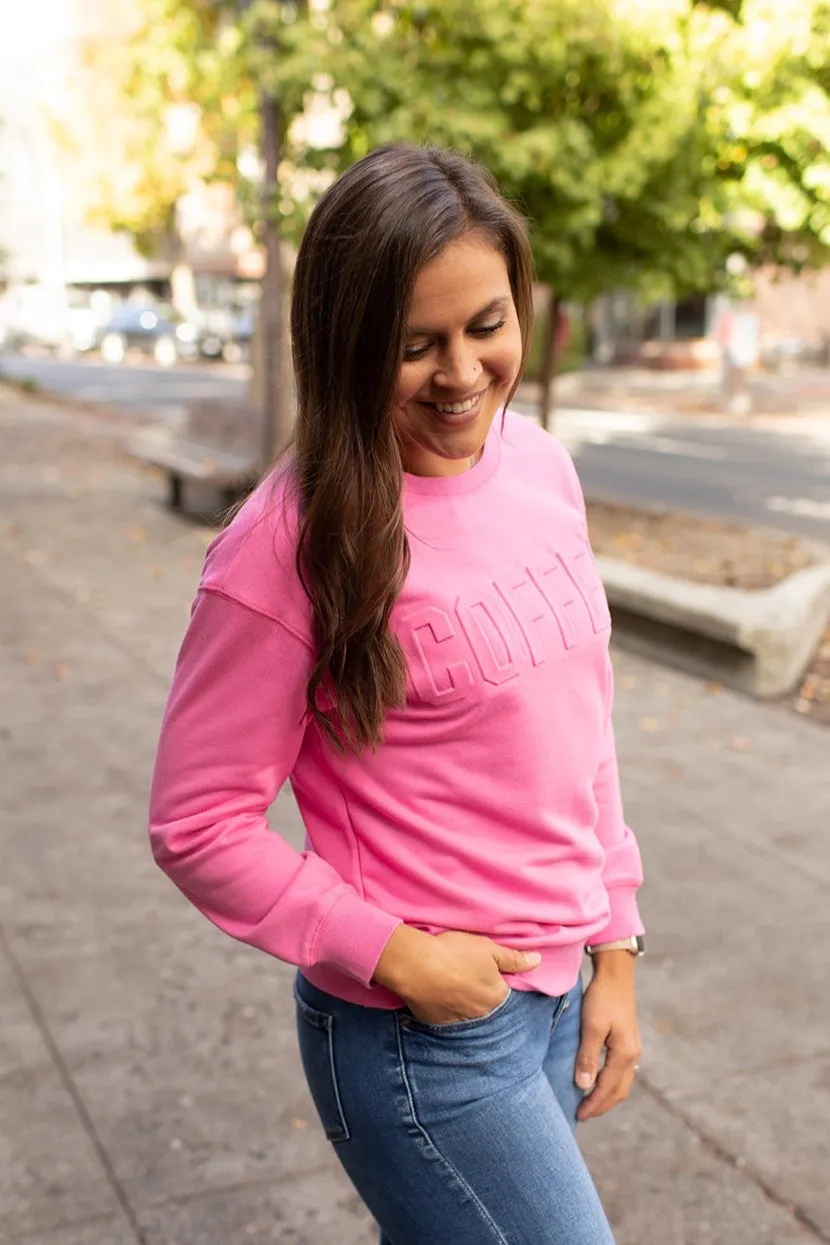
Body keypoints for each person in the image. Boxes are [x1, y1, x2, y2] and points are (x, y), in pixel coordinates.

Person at [149, 143, 645, 1245]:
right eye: (413, 346)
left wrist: (616, 948)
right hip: (423, 1035)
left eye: (485, 326)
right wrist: (402, 957)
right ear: (345, 347)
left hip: (553, 995)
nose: (461, 374)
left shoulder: (541, 469)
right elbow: (196, 822)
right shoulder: (284, 547)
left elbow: (581, 736)